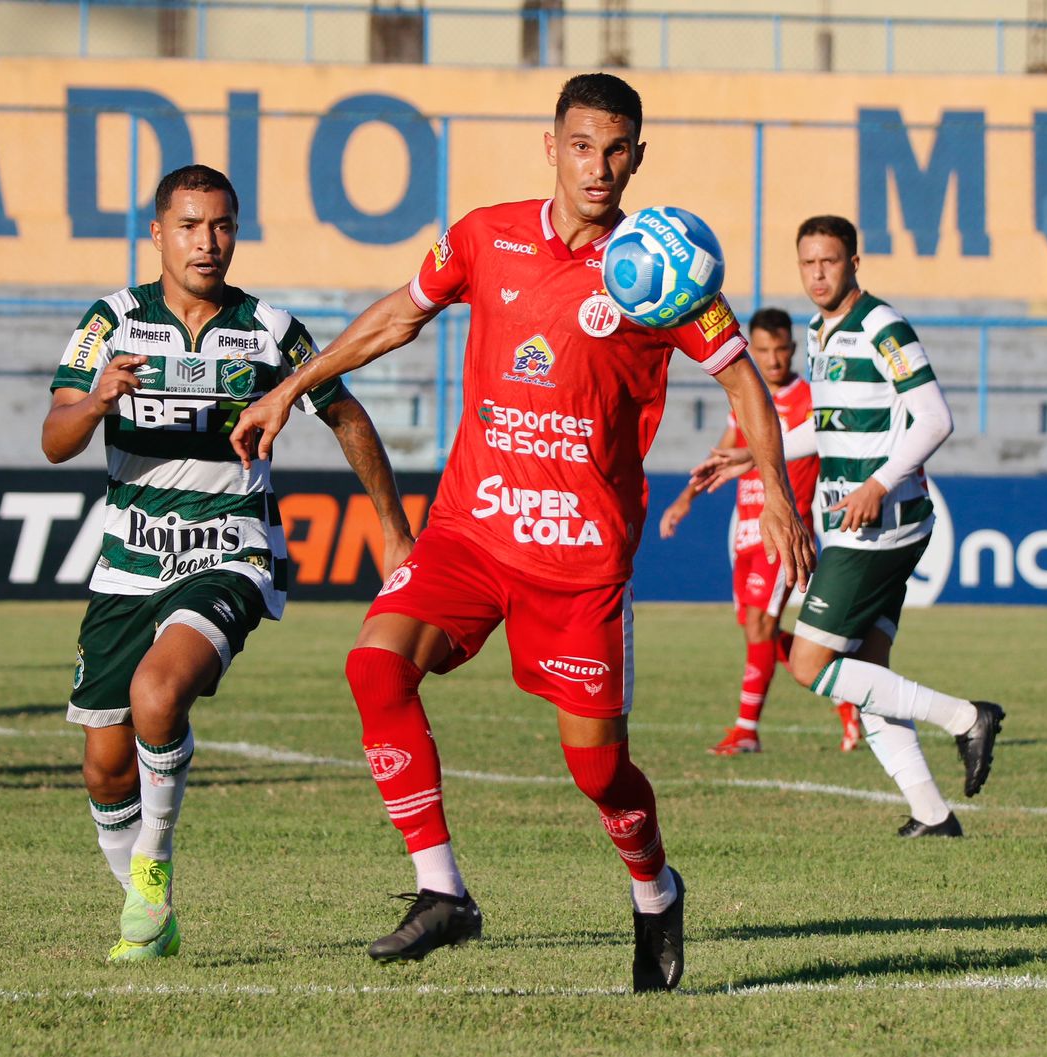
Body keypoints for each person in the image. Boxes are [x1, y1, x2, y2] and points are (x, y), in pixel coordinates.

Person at [229, 73, 815, 992]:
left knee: (600, 774)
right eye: (582, 146)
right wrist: (289, 387)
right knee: (374, 666)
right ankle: (441, 890)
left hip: (580, 565)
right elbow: (397, 316)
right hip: (470, 532)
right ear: (552, 145)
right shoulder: (484, 236)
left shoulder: (662, 265)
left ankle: (656, 889)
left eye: (618, 150)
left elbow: (742, 375)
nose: (599, 167)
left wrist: (776, 489)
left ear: (638, 157)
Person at [42, 164, 412, 962]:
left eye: (221, 226)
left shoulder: (271, 329)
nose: (207, 243)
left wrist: (392, 527)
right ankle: (152, 911)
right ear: (157, 232)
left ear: (235, 232)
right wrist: (98, 400)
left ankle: (154, 873)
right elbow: (54, 440)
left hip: (230, 549)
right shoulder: (111, 321)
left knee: (158, 692)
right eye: (189, 225)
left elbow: (345, 413)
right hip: (127, 565)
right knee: (106, 772)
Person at [695, 215, 1003, 839]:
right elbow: (829, 429)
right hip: (862, 523)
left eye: (829, 262)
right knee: (870, 676)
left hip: (878, 525)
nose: (817, 274)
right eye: (807, 263)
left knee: (809, 663)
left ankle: (968, 717)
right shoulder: (819, 330)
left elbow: (935, 418)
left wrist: (876, 484)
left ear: (853, 263)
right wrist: (751, 454)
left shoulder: (881, 326)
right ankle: (931, 812)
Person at [658, 307, 861, 756]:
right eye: (764, 350)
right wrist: (684, 500)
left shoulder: (808, 398)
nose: (772, 359)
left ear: (793, 347)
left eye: (781, 349)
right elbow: (724, 455)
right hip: (745, 535)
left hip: (782, 533)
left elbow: (835, 447)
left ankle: (746, 730)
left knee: (760, 625)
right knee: (758, 631)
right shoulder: (745, 398)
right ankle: (845, 692)